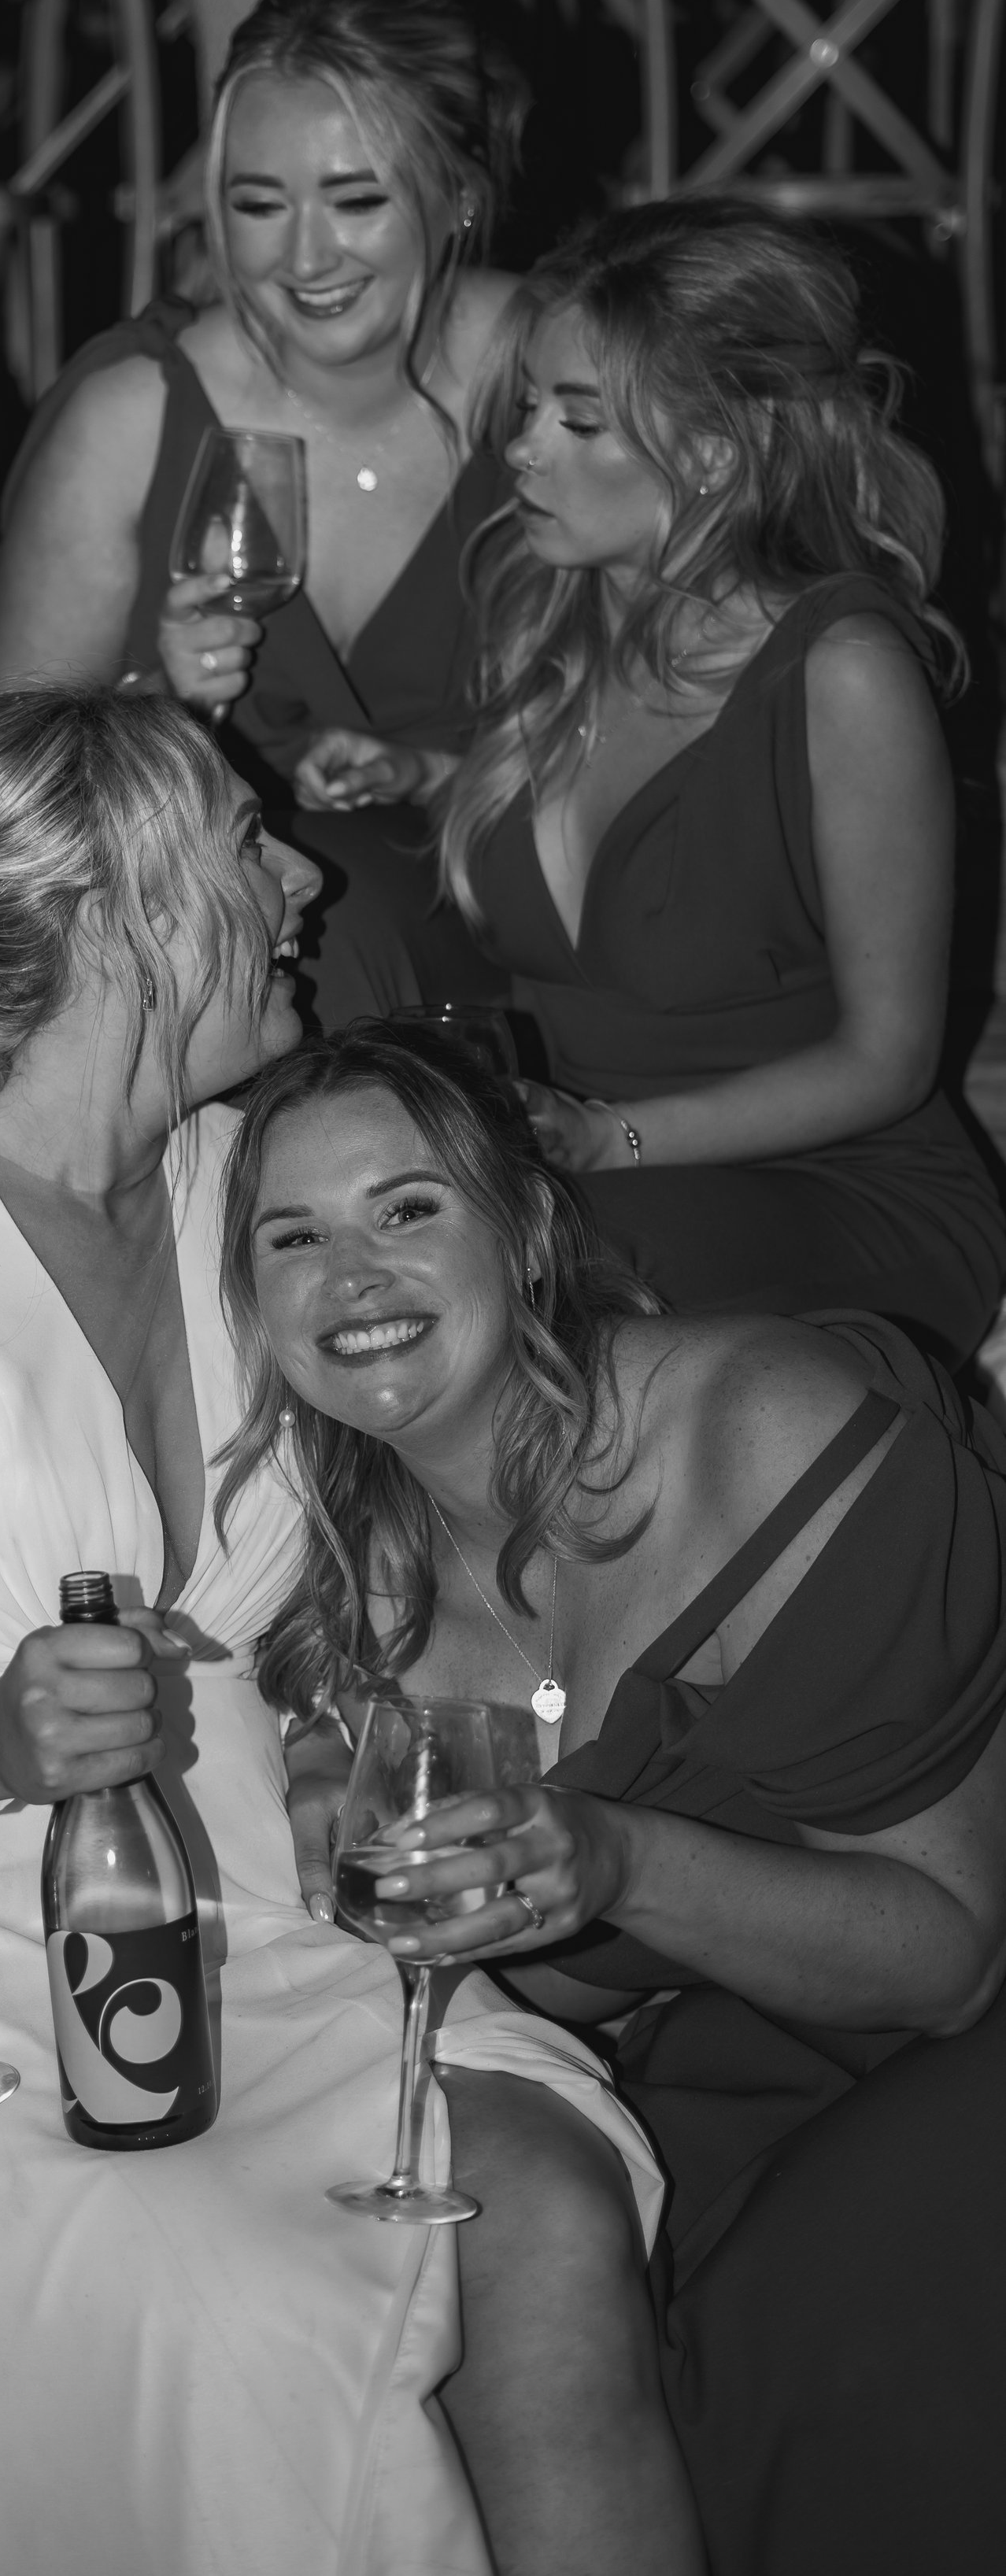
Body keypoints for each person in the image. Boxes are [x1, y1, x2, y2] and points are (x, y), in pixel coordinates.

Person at [0, 688, 696, 2576]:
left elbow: (359, 1552)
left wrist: (368, 1736)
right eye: (243, 842)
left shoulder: (230, 1196)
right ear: (121, 907)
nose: (294, 877)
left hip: (231, 1912)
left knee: (547, 2193)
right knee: (239, 2309)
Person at [227, 1021, 1006, 2576]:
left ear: (519, 1231)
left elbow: (945, 1965)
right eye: (291, 1238)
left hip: (944, 2023)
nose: (351, 1276)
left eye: (405, 1209)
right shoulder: (326, 1564)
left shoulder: (762, 1435)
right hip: (686, 2068)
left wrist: (609, 1861)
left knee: (825, 2392)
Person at [350, 195, 1006, 1359]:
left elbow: (889, 1057)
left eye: (580, 421)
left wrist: (616, 1138)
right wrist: (423, 771)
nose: (521, 448)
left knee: (524, 1276)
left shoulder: (844, 672)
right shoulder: (552, 608)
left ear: (712, 452)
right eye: (532, 405)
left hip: (834, 1185)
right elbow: (626, 848)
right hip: (578, 1156)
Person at [0, 0, 526, 1026]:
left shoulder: (565, 374)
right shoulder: (134, 414)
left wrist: (444, 773)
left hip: (549, 892)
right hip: (243, 952)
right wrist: (158, 700)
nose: (305, 256)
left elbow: (687, 719)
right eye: (259, 203)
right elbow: (9, 803)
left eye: (357, 198)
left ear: (458, 190)